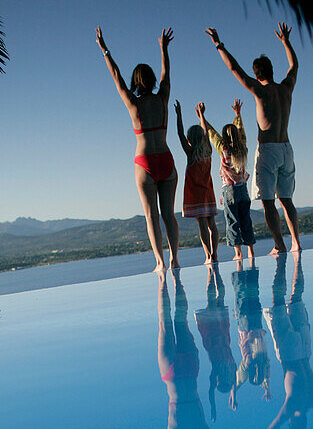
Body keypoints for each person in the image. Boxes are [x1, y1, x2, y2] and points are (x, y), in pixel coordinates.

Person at [205, 23, 301, 255]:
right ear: (271, 70)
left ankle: (279, 244)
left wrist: (219, 46)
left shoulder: (260, 91)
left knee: (268, 202)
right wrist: (286, 42)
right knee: (286, 200)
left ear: (257, 75)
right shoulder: (286, 88)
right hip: (287, 148)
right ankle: (296, 242)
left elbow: (235, 69)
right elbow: (294, 65)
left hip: (268, 149)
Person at [97, 26, 179, 274]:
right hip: (166, 158)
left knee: (151, 216)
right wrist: (164, 48)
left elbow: (116, 77)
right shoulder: (163, 98)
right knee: (168, 215)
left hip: (145, 163)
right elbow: (166, 73)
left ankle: (160, 262)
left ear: (135, 82)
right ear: (152, 80)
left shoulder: (133, 104)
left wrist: (105, 50)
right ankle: (175, 259)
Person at [253, 253, 313, 429]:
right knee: (279, 303)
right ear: (294, 422)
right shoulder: (292, 408)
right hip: (291, 354)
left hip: (305, 350)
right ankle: (282, 262)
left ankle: (294, 260)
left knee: (296, 298)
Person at [156, 272, 223, 429]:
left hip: (190, 370)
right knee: (165, 323)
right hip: (173, 375)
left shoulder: (199, 425)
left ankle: (176, 278)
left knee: (181, 320)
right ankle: (163, 280)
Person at [197, 98, 256, 262]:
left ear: (225, 137)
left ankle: (238, 253)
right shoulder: (243, 147)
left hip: (229, 190)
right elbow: (241, 131)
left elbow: (211, 133)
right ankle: (251, 249)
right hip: (243, 189)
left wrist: (202, 117)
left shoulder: (223, 148)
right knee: (246, 219)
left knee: (233, 222)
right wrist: (238, 115)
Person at [173, 99, 219, 264]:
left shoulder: (191, 152)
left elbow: (179, 133)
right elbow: (206, 132)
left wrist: (179, 115)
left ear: (190, 139)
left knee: (202, 225)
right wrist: (201, 115)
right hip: (208, 191)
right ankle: (215, 254)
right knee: (212, 224)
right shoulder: (208, 150)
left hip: (196, 194)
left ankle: (208, 256)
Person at [194, 264, 237, 419]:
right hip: (217, 334)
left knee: (216, 300)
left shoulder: (223, 368)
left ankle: (213, 272)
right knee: (215, 300)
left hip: (216, 334)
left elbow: (212, 391)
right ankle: (213, 272)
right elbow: (214, 390)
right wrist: (233, 395)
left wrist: (213, 408)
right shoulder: (228, 368)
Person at [231, 261, 271, 403]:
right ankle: (246, 271)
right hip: (249, 325)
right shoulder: (258, 361)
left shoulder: (251, 362)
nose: (258, 374)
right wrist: (266, 388)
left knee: (249, 297)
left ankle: (248, 270)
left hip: (251, 325)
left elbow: (239, 380)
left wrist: (234, 393)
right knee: (246, 297)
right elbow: (265, 375)